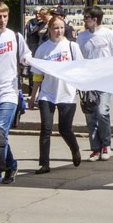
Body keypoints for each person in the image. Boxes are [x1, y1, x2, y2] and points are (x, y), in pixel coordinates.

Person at [0, 1, 31, 191]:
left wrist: (27, 61)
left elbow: (26, 56)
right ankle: (11, 165)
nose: (2, 20)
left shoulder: (14, 37)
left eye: (5, 16)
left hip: (9, 94)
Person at [30, 16, 83, 174]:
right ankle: (44, 164)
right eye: (55, 28)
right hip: (47, 94)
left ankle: (75, 149)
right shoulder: (43, 49)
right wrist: (33, 96)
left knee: (64, 128)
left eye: (61, 27)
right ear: (50, 30)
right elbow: (38, 76)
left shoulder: (72, 47)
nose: (58, 31)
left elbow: (81, 69)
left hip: (67, 93)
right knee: (46, 129)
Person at [77, 5, 113, 162]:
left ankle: (106, 144)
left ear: (94, 19)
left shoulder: (108, 34)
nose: (84, 20)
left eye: (86, 18)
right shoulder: (81, 36)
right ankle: (95, 148)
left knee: (102, 112)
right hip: (89, 81)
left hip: (105, 79)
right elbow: (78, 58)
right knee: (90, 116)